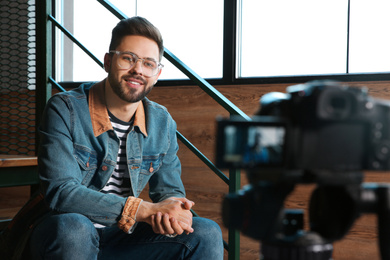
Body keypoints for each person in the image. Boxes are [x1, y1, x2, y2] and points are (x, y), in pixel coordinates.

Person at [29, 16, 224, 259]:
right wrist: (140, 209)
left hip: (121, 236)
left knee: (206, 232)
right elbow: (61, 193)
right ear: (108, 61)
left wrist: (174, 213)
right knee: (75, 228)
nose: (138, 70)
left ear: (157, 73)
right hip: (65, 233)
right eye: (128, 59)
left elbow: (169, 192)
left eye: (149, 63)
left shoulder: (162, 122)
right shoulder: (65, 109)